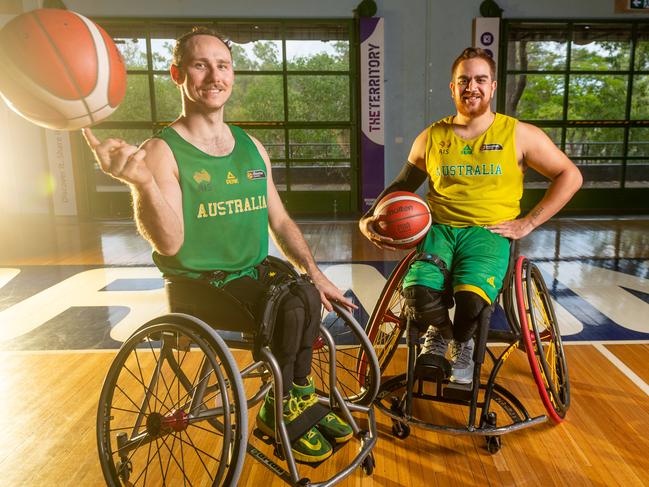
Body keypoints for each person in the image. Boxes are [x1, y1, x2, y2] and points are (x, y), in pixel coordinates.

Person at [83, 27, 354, 463]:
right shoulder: (162, 151)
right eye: (200, 64)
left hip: (251, 274)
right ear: (177, 74)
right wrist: (144, 184)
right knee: (289, 306)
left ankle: (298, 394)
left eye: (222, 65)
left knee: (303, 291)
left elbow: (280, 219)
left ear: (232, 74)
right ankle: (277, 406)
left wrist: (316, 273)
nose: (214, 75)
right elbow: (170, 244)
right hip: (200, 283)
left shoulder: (251, 146)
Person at [359, 47, 582, 384]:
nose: (471, 87)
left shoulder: (519, 134)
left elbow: (570, 175)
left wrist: (529, 222)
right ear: (452, 88)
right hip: (440, 231)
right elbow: (402, 185)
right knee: (417, 295)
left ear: (493, 86)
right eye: (463, 80)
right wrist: (368, 218)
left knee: (471, 302)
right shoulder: (431, 137)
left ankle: (462, 344)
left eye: (480, 79)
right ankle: (441, 334)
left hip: (489, 232)